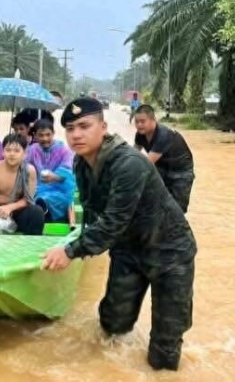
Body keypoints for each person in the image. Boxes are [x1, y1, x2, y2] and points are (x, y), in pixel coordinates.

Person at [42, 97, 197, 371]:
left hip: (169, 253)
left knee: (164, 348)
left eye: (83, 126)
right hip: (128, 249)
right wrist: (76, 242)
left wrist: (71, 251)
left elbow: (113, 221)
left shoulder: (129, 164)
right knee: (112, 326)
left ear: (103, 127)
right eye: (69, 128)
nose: (76, 134)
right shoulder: (80, 164)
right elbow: (92, 212)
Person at [0, 134, 45, 235]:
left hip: (18, 209)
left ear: (24, 154)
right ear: (3, 152)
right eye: (8, 150)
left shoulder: (29, 170)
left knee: (37, 212)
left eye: (16, 151)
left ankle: (33, 247)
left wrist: (10, 208)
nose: (12, 154)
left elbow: (28, 199)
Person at [133, 104, 195, 213]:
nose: (139, 125)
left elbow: (146, 164)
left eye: (143, 121)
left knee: (176, 210)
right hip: (162, 167)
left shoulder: (163, 135)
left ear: (153, 120)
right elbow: (133, 155)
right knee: (155, 203)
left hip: (181, 171)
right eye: (136, 122)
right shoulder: (140, 135)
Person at [27, 118, 76, 222]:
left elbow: (68, 173)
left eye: (48, 134)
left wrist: (55, 177)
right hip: (37, 190)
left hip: (60, 191)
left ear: (53, 133)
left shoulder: (64, 150)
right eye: (41, 135)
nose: (45, 138)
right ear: (35, 135)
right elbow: (24, 169)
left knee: (48, 200)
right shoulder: (32, 150)